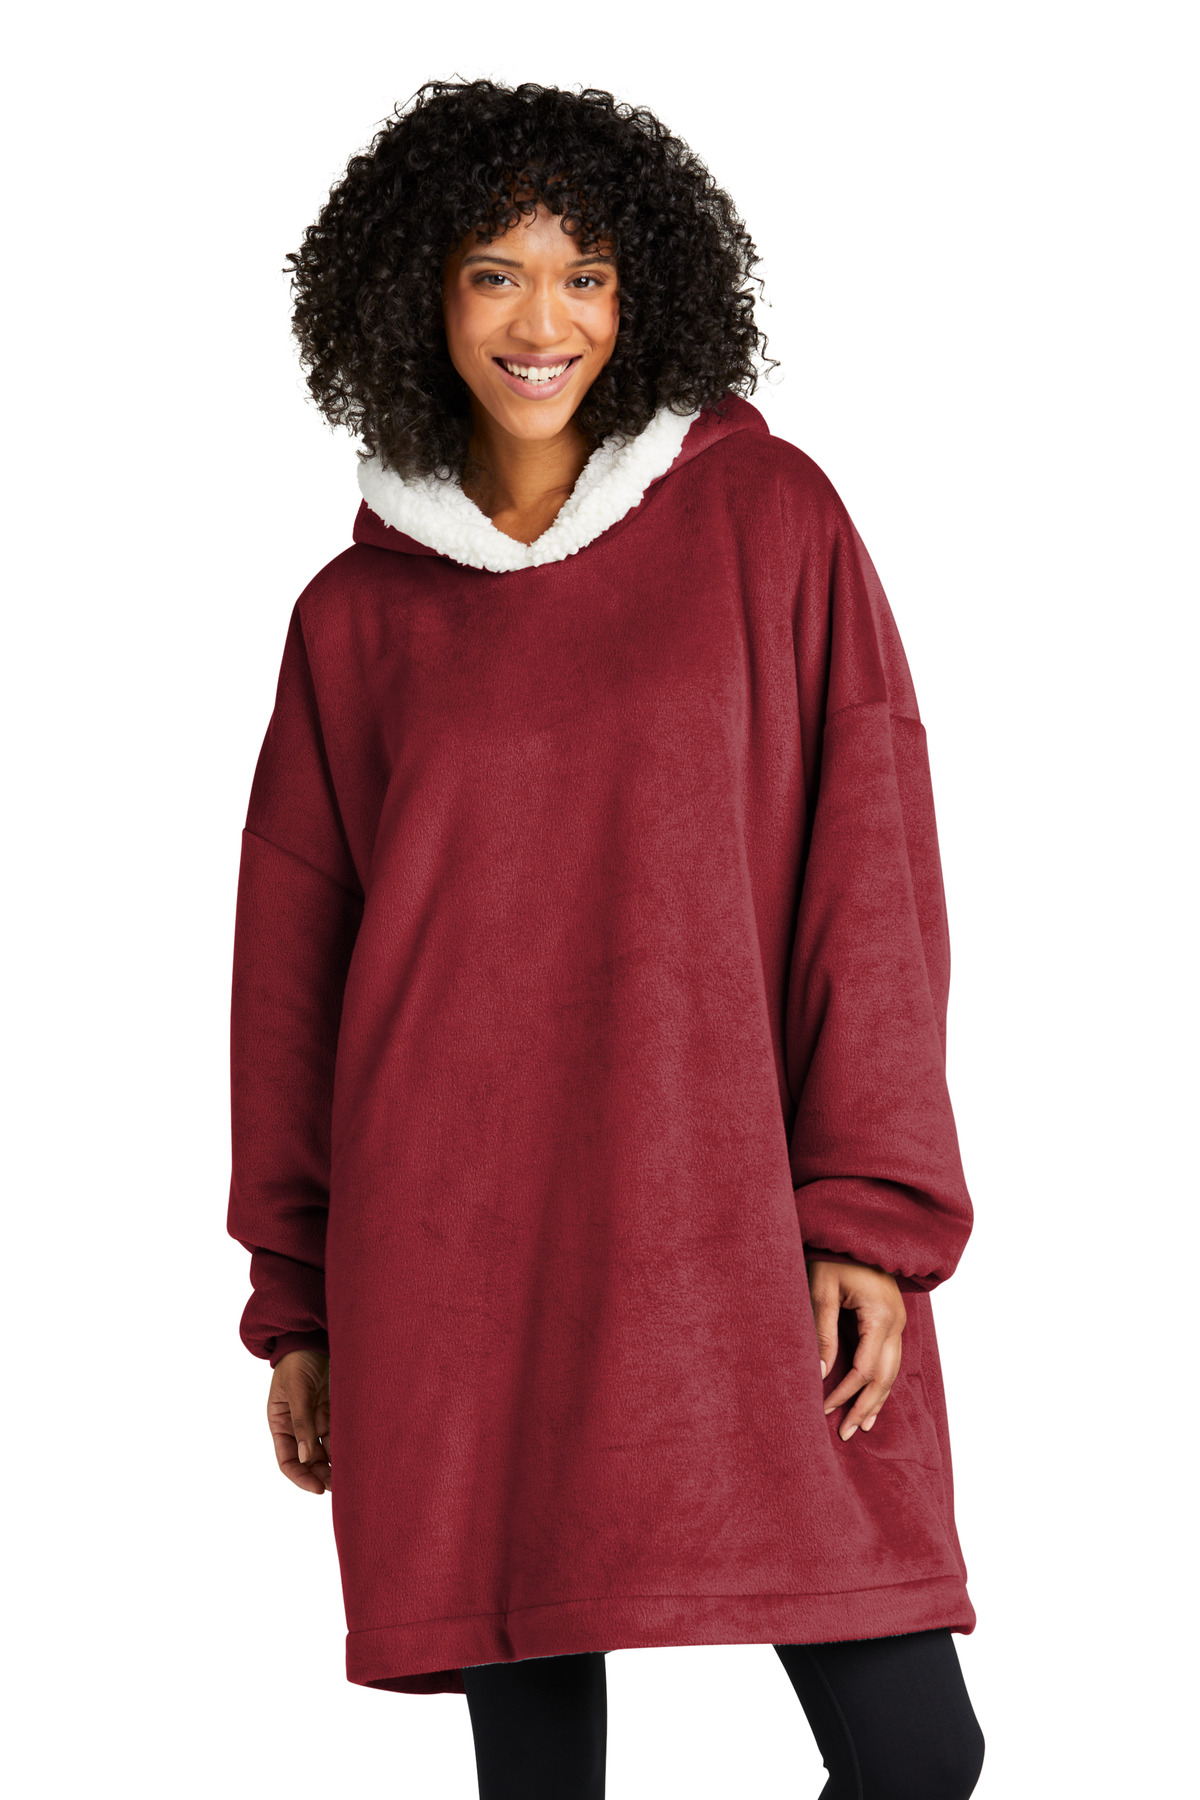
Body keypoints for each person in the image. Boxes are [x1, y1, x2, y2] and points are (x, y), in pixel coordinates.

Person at [227, 79, 986, 1799]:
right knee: (540, 1782)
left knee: (916, 1756)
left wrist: (868, 1211)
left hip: (727, 1222)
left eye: (585, 275)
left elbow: (871, 876)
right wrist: (298, 1301)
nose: (542, 322)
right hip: (459, 1256)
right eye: (495, 274)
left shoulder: (769, 520)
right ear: (420, 297)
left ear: (646, 292)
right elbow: (291, 982)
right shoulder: (356, 618)